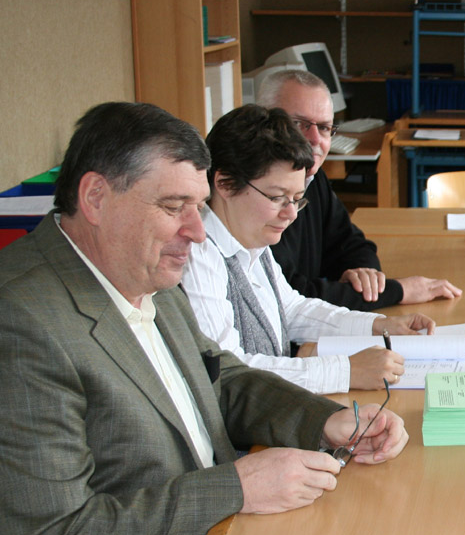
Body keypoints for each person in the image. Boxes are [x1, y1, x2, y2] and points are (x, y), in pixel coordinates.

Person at [0, 101, 465, 535]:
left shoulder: (139, 273)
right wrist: (236, 488)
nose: (197, 232)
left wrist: (326, 420)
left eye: (198, 207)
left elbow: (219, 377)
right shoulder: (24, 323)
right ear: (95, 197)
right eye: (174, 207)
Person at [181, 104, 437, 395]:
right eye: (277, 198)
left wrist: (379, 325)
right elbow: (229, 371)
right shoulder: (198, 256)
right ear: (225, 184)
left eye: (297, 199)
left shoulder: (250, 237)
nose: (290, 214)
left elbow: (291, 309)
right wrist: (346, 371)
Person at [258, 69, 462, 310]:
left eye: (324, 128)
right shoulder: (256, 197)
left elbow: (349, 243)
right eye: (299, 124)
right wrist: (397, 291)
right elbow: (291, 298)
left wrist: (365, 275)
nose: (315, 139)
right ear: (262, 122)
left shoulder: (313, 178)